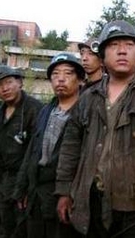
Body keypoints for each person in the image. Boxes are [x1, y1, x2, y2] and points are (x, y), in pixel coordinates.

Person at [55, 20, 135, 238]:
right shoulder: (88, 98)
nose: (122, 51)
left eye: (129, 45)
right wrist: (64, 191)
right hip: (88, 200)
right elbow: (70, 146)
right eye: (114, 46)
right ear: (103, 56)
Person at [13, 53, 85, 238]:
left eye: (68, 73)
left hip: (66, 193)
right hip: (37, 191)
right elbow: (32, 151)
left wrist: (69, 193)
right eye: (55, 74)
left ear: (80, 80)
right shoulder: (46, 110)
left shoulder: (86, 111)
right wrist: (23, 187)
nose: (60, 79)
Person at [0, 65, 43, 238]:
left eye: (9, 82)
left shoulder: (35, 109)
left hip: (26, 183)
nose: (4, 88)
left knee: (24, 230)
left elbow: (36, 152)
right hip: (4, 184)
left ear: (19, 83)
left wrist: (26, 187)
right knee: (4, 227)